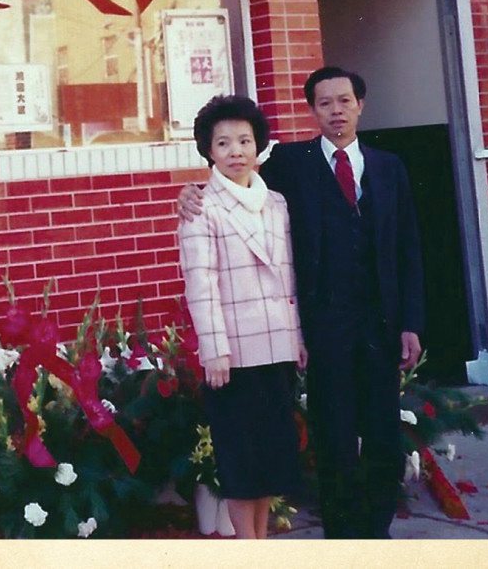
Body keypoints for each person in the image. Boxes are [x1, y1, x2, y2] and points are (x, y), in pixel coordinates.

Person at [178, 67, 424, 539]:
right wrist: (189, 194)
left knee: (382, 437)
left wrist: (411, 322)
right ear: (312, 110)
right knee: (333, 439)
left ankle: (376, 532)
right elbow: (234, 178)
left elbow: (409, 249)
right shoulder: (291, 164)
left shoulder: (390, 166)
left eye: (344, 101)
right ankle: (341, 536)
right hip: (324, 328)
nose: (336, 110)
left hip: (379, 327)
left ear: (360, 104)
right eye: (325, 103)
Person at [178, 95, 308, 540]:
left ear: (259, 147)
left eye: (244, 141)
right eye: (224, 143)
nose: (236, 151)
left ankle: (262, 544)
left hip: (276, 348)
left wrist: (299, 338)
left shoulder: (276, 204)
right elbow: (201, 284)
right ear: (208, 151)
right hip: (232, 357)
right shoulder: (201, 208)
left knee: (270, 461)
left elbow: (289, 276)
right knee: (240, 461)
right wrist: (214, 349)